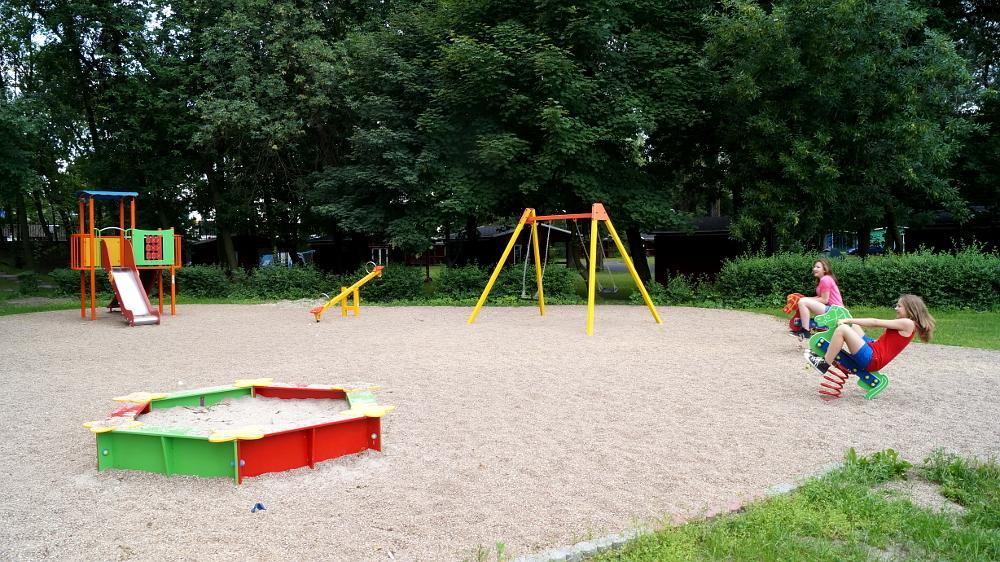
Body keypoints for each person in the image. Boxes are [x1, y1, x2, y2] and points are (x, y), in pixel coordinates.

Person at [805, 294, 935, 375]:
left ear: (910, 309)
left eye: (899, 306)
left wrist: (848, 320)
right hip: (874, 348)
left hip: (873, 359)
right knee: (853, 326)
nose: (896, 308)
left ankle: (824, 364)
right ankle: (828, 351)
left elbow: (875, 322)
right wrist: (851, 322)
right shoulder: (909, 323)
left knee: (843, 329)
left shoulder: (907, 323)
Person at [791, 258, 844, 337]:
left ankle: (805, 331)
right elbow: (820, 297)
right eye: (814, 267)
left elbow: (824, 300)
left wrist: (804, 300)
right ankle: (805, 329)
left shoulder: (825, 279)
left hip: (836, 312)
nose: (814, 269)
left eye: (818, 267)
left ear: (825, 270)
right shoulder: (823, 280)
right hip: (834, 310)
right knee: (803, 301)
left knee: (802, 302)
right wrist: (805, 298)